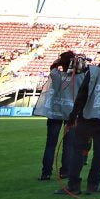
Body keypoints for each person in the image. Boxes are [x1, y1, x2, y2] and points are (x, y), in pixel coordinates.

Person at [55, 48, 100, 196]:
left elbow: (83, 94)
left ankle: (74, 185)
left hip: (89, 116)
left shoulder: (95, 71)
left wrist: (73, 115)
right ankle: (93, 185)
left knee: (78, 150)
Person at [36, 51, 78, 181]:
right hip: (71, 114)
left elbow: (52, 67)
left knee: (50, 144)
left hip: (55, 112)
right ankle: (65, 171)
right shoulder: (79, 77)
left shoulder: (56, 74)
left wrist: (58, 62)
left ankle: (46, 173)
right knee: (69, 144)